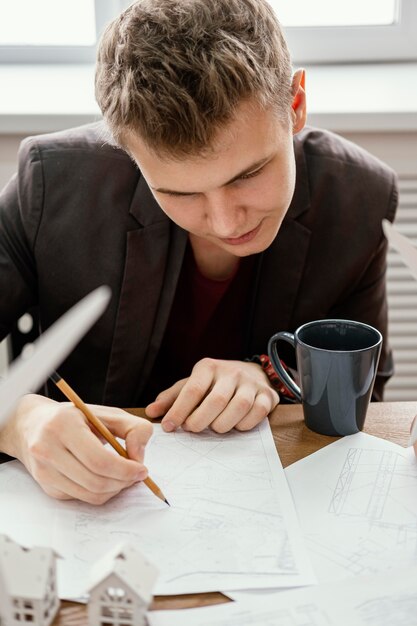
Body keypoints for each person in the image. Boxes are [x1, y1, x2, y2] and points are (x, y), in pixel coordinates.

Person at [0, 0, 398, 504]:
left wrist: (268, 373)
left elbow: (367, 389)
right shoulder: (51, 185)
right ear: (127, 152)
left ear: (295, 105)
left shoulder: (359, 196)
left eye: (249, 175)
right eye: (180, 193)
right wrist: (17, 420)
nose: (227, 223)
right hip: (84, 521)